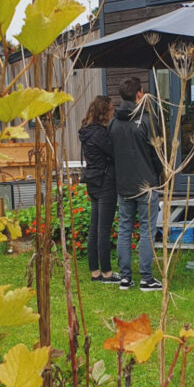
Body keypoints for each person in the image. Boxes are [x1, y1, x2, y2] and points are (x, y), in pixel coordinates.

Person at [109, 77, 163, 292]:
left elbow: (111, 150)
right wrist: (160, 173)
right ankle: (147, 278)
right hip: (146, 182)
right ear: (140, 94)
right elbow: (156, 151)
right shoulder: (146, 119)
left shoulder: (113, 122)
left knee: (124, 229)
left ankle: (125, 278)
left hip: (123, 182)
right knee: (147, 231)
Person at [79, 96, 118, 283]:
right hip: (105, 182)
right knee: (103, 229)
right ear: (105, 112)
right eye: (111, 109)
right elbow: (115, 153)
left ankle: (95, 271)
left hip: (92, 182)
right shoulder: (100, 134)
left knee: (94, 228)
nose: (113, 111)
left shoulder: (87, 131)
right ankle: (107, 273)